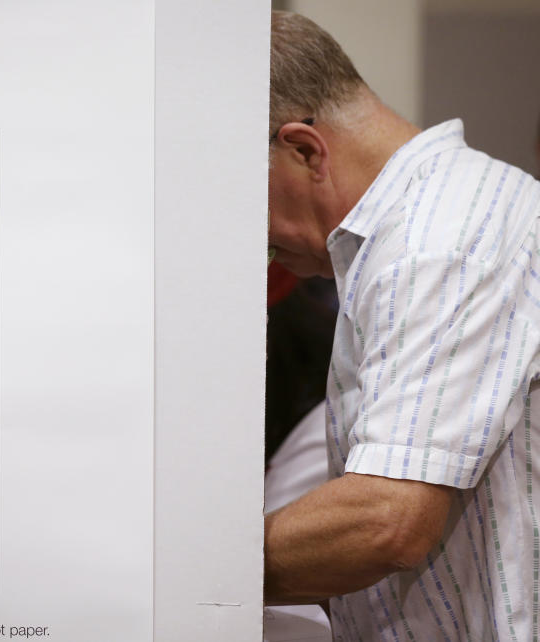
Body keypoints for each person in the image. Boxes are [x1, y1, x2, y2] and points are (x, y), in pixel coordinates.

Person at [264, 11, 540, 640]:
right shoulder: (416, 233)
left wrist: (195, 569)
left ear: (305, 149)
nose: (254, 239)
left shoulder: (438, 240)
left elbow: (386, 520)